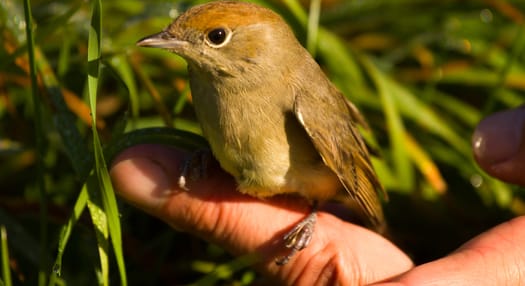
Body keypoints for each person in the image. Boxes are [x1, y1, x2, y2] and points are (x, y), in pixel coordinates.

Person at [110, 106, 525, 285]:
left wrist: (372, 220)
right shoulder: (207, 84)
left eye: (215, 37)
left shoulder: (302, 107)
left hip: (324, 197)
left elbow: (352, 171)